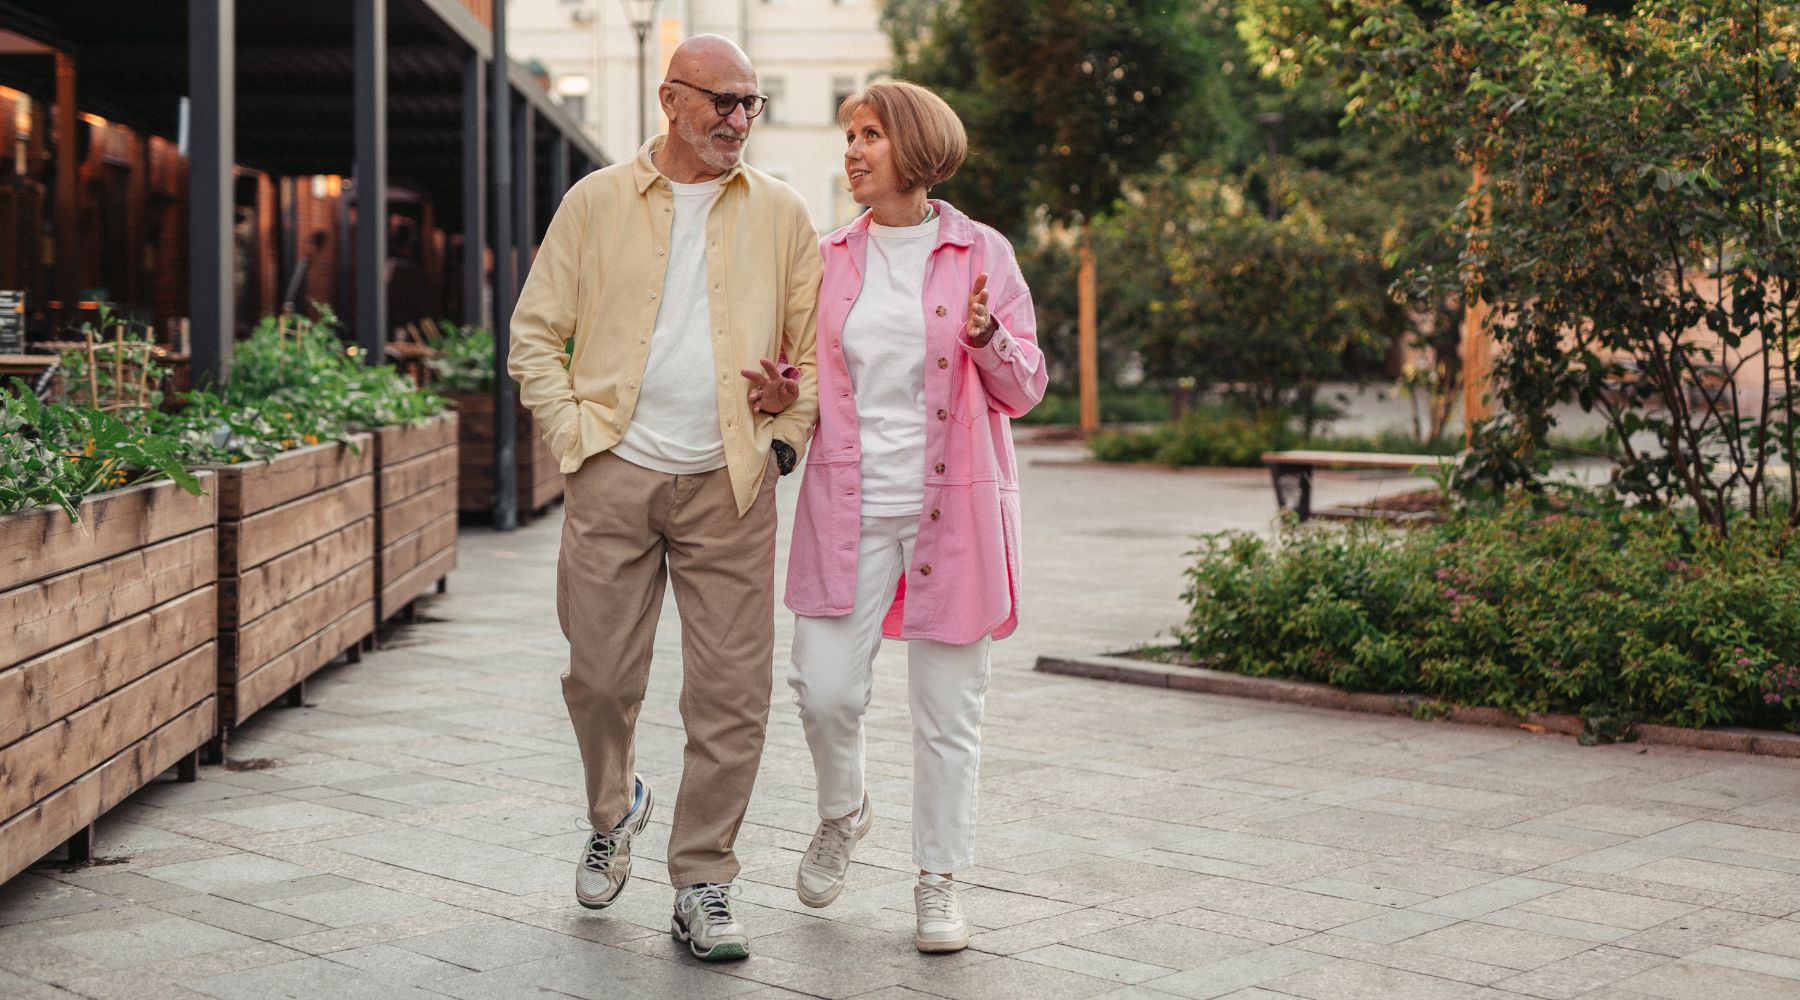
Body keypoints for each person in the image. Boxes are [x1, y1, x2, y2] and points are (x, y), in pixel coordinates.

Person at [506, 34, 819, 962]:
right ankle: (616, 809)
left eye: (750, 104)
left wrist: (783, 430)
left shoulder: (785, 215)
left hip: (730, 481)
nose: (738, 120)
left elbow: (812, 354)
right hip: (614, 472)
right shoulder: (595, 203)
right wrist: (576, 440)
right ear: (670, 100)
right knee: (598, 677)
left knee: (731, 696)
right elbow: (535, 335)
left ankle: (704, 881)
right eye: (722, 101)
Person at [781, 80, 1046, 953]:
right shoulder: (828, 259)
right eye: (849, 134)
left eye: (870, 135)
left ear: (917, 148)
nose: (852, 151)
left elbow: (1026, 388)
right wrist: (784, 391)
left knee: (947, 712)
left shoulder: (984, 254)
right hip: (847, 508)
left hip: (953, 513)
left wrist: (985, 342)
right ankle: (843, 810)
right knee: (824, 691)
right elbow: (805, 377)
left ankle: (939, 880)